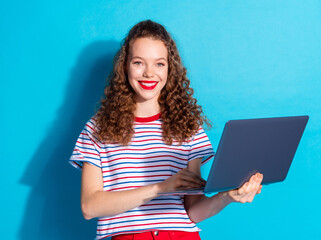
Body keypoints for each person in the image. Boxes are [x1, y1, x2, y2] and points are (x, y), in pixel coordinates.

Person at [69, 20, 263, 240]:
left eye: (159, 64)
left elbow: (193, 211)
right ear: (125, 66)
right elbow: (90, 206)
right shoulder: (98, 128)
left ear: (170, 69)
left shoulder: (188, 127)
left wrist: (228, 196)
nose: (149, 73)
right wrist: (161, 188)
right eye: (139, 63)